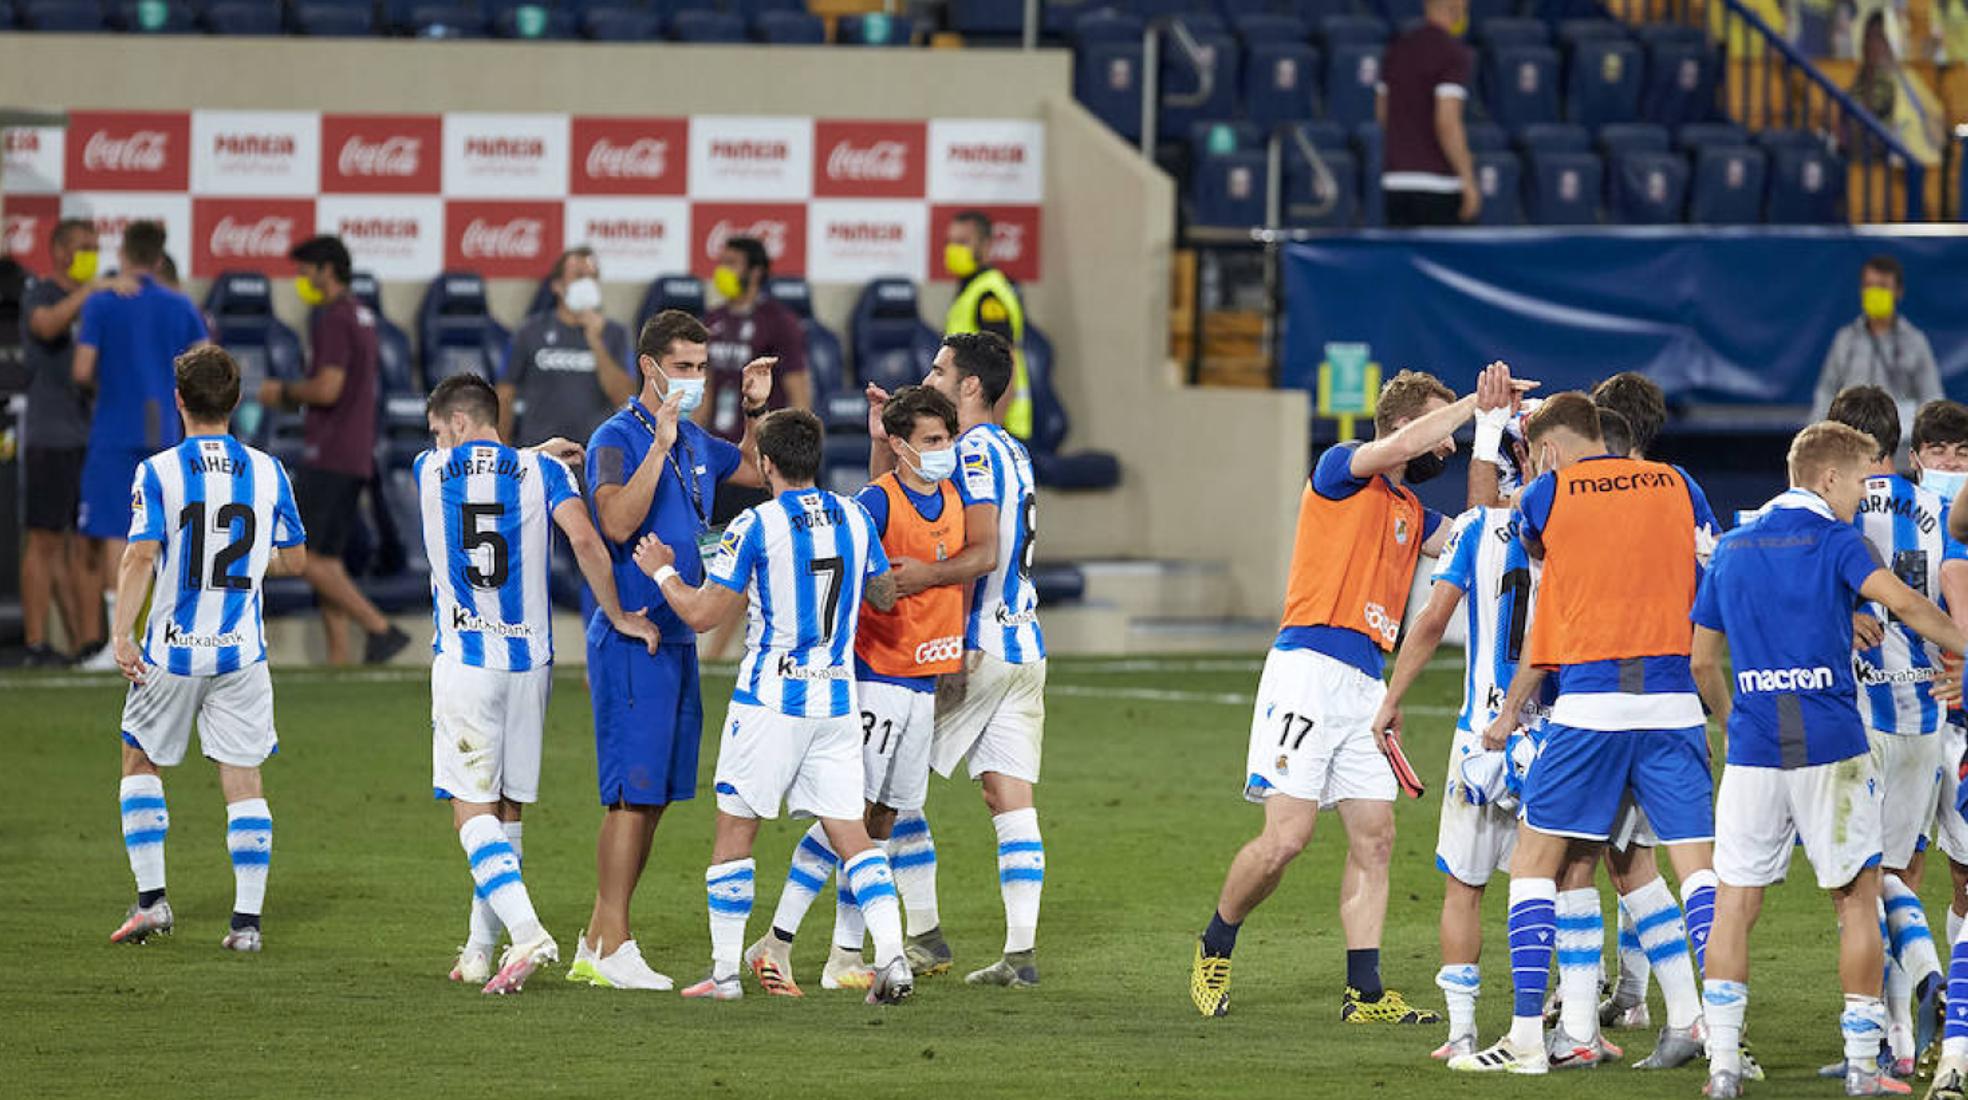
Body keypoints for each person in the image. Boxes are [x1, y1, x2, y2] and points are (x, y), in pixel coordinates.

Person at [1189, 361, 1524, 1022]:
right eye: (1438, 430)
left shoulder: (1411, 511)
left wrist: (1518, 446)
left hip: (1366, 683)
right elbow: (1399, 449)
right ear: (1407, 423)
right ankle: (1215, 942)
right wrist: (1471, 406)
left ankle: (1363, 993)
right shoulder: (1341, 468)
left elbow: (1485, 533)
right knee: (1287, 837)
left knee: (1375, 836)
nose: (1446, 448)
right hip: (1308, 670)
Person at [1692, 420, 1968, 1100]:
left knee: (1734, 904)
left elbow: (1701, 659)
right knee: (1856, 902)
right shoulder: (1837, 540)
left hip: (1759, 743)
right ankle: (1862, 1069)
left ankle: (1722, 1067)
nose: (1860, 501)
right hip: (1831, 741)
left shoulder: (1733, 546)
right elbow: (1902, 601)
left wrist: (1735, 722)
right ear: (1828, 478)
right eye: (1856, 485)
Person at [1455, 393, 1721, 1074]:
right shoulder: (1679, 482)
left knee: (1535, 865)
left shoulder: (1547, 492)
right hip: (1672, 703)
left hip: (1592, 704)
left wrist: (1510, 713)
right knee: (1696, 876)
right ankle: (1720, 1033)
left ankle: (1523, 1038)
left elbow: (1528, 550)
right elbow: (1708, 568)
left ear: (1545, 450)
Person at [630, 408, 915, 1004]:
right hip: (835, 703)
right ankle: (891, 958)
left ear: (766, 463)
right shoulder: (856, 517)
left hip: (770, 702)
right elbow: (885, 595)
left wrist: (662, 575)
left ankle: (727, 975)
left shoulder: (755, 525)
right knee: (852, 836)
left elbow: (705, 615)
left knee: (736, 830)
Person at [412, 374, 659, 995]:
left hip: (466, 664)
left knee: (471, 809)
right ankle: (478, 950)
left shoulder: (426, 470)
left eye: (441, 430)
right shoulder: (542, 474)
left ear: (458, 425)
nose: (437, 441)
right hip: (530, 664)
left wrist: (531, 452)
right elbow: (582, 538)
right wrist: (620, 613)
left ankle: (526, 932)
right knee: (506, 807)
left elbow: (473, 467)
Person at [570, 309, 775, 991]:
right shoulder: (616, 437)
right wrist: (657, 447)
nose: (694, 379)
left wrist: (752, 410)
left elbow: (750, 468)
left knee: (653, 796)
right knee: (630, 795)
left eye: (701, 367)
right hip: (635, 630)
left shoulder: (692, 437)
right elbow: (616, 519)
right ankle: (613, 945)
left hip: (677, 631)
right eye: (683, 367)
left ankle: (599, 940)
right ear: (649, 367)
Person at [746, 385, 966, 994]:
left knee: (884, 821)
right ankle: (781, 939)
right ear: (900, 446)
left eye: (946, 438)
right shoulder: (874, 500)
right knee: (847, 820)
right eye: (931, 440)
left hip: (922, 682)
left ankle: (844, 952)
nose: (943, 449)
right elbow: (857, 566)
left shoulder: (950, 497)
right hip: (875, 678)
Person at [105, 346, 307, 953]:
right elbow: (295, 559)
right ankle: (246, 924)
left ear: (178, 400)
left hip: (171, 652)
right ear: (237, 402)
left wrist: (120, 632)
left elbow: (141, 554)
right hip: (241, 652)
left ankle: (151, 904)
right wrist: (250, 563)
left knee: (140, 760)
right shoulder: (269, 470)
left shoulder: (159, 471)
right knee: (243, 777)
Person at [866, 333, 1049, 986]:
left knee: (890, 786)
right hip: (1025, 646)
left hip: (975, 649)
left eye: (940, 369)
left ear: (971, 386)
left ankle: (919, 937)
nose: (930, 376)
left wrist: (922, 582)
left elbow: (979, 551)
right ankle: (1020, 956)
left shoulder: (968, 451)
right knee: (1009, 798)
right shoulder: (1014, 450)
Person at [1369, 479, 1553, 1057]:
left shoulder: (1476, 528)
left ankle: (1461, 1032)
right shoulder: (1574, 524)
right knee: (1557, 882)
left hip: (1482, 733)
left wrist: (1391, 698)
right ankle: (1562, 1022)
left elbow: (1429, 621)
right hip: (1553, 728)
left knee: (1463, 887)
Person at [1827, 385, 1968, 1073]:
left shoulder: (1834, 508)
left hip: (1859, 716)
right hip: (1925, 715)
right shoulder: (1938, 508)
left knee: (1861, 885)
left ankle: (1915, 1000)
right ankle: (1903, 1047)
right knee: (1902, 874)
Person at [257, 234, 408, 667]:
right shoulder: (362, 316)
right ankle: (340, 657)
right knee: (330, 561)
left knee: (305, 559)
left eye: (306, 271)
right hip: (354, 450)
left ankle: (379, 628)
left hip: (331, 452)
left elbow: (327, 388)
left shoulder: (334, 318)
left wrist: (281, 391)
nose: (302, 280)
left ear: (327, 270)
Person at [71, 219, 208, 673]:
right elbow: (208, 367)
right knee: (165, 535)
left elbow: (81, 369)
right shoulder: (181, 306)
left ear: (124, 253)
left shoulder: (105, 302)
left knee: (117, 530)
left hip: (115, 427)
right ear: (158, 256)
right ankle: (162, 637)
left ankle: (120, 641)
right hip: (166, 432)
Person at [19, 218, 129, 665]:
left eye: (96, 246)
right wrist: (93, 292)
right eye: (84, 246)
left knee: (87, 541)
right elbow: (46, 326)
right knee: (44, 541)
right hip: (50, 435)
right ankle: (34, 643)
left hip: (91, 435)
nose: (90, 253)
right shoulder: (41, 291)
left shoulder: (96, 305)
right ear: (59, 250)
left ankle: (88, 643)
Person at [703, 235, 811, 523]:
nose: (722, 270)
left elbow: (799, 395)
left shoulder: (779, 321)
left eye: (731, 264)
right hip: (719, 456)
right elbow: (706, 389)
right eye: (721, 262)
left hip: (760, 457)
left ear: (755, 272)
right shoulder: (711, 320)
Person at [496, 245, 634, 449]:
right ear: (557, 285)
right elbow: (505, 392)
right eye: (579, 276)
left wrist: (595, 340)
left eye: (592, 277)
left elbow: (623, 398)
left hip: (596, 452)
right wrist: (503, 448)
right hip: (540, 451)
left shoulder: (615, 334)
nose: (587, 283)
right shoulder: (530, 331)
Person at [1810, 255, 1942, 435]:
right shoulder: (1846, 339)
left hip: (1899, 442)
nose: (1874, 292)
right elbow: (1826, 391)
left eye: (1882, 287)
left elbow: (1931, 397)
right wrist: (1817, 434)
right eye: (1869, 286)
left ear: (1898, 291)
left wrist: (1927, 440)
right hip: (1850, 441)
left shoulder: (1915, 341)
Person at [1376, 0, 1479, 226]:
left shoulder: (1396, 49)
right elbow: (1447, 121)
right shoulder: (1452, 53)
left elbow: (1383, 113)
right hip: (1438, 185)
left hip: (1396, 181)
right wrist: (1468, 179)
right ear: (1456, 9)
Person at [941, 211, 1032, 441]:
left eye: (962, 242)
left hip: (1000, 427)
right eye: (950, 242)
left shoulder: (989, 294)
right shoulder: (971, 289)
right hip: (973, 422)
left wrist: (991, 434)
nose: (953, 249)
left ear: (986, 245)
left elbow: (1005, 366)